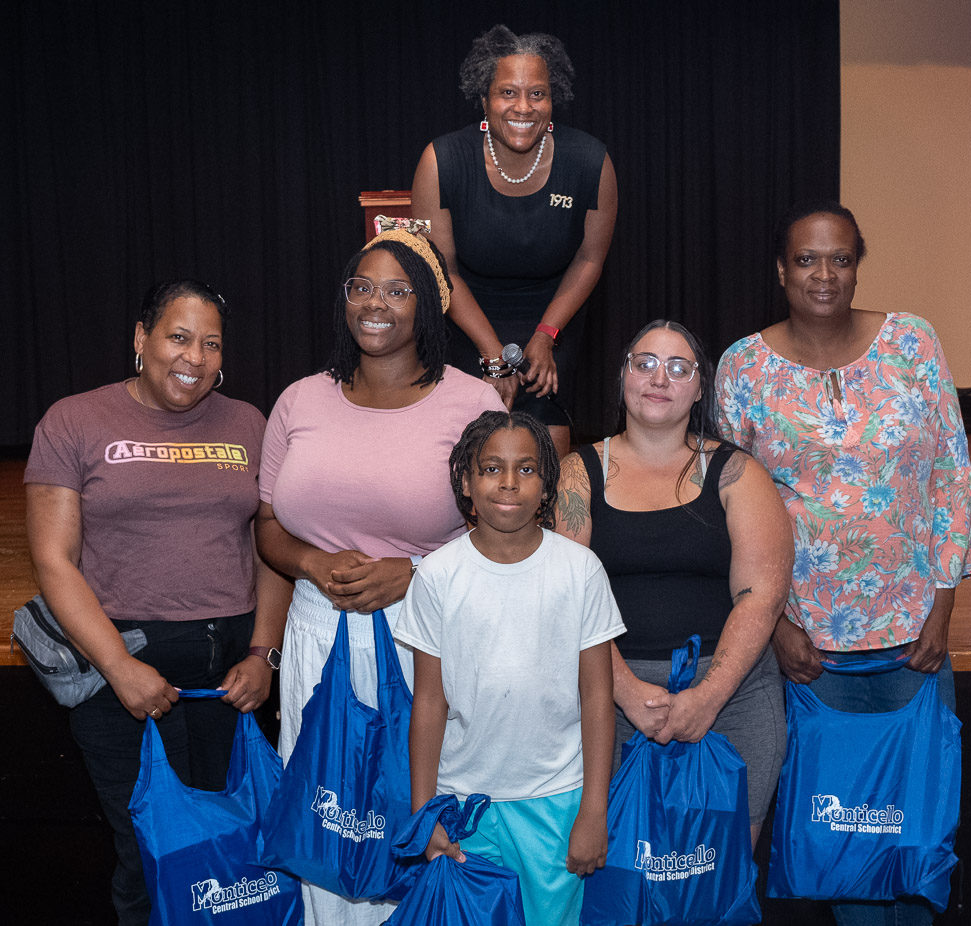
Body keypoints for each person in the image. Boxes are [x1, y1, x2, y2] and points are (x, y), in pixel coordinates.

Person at [716, 201, 971, 925]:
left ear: (857, 264)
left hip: (914, 640)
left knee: (914, 827)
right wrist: (774, 626)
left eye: (839, 258)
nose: (824, 274)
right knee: (840, 837)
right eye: (807, 259)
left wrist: (943, 606)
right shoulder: (743, 368)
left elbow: (948, 477)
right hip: (809, 648)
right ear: (781, 270)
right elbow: (731, 511)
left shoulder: (912, 344)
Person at [255, 226, 505, 925]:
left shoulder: (472, 407)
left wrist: (417, 572)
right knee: (329, 820)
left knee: (415, 815)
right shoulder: (301, 400)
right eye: (362, 287)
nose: (376, 303)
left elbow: (507, 532)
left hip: (425, 642)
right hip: (316, 634)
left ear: (428, 306)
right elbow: (268, 525)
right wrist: (311, 562)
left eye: (398, 290)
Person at [24, 280, 286, 925]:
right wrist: (119, 669)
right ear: (141, 339)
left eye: (211, 343)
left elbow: (271, 546)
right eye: (178, 336)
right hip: (125, 673)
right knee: (147, 851)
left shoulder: (249, 423)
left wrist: (264, 654)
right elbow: (53, 559)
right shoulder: (73, 420)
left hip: (231, 680)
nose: (193, 356)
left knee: (235, 847)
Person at [554, 320, 794, 848]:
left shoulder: (739, 474)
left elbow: (762, 596)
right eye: (644, 363)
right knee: (624, 881)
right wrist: (628, 693)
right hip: (607, 698)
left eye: (678, 367)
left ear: (700, 387)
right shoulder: (577, 472)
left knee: (714, 881)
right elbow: (563, 598)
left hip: (731, 697)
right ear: (622, 377)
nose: (659, 378)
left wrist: (707, 697)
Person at [396, 410, 624, 926]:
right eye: (492, 467)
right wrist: (423, 811)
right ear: (466, 481)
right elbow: (429, 701)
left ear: (547, 486)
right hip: (464, 807)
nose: (508, 482)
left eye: (526, 469)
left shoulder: (580, 570)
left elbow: (596, 697)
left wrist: (593, 810)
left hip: (556, 805)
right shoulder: (436, 576)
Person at [411, 23, 618, 457]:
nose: (523, 106)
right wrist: (492, 356)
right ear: (484, 99)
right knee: (470, 452)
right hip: (464, 316)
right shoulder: (443, 161)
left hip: (552, 314)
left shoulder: (589, 161)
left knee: (545, 459)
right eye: (508, 92)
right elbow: (440, 269)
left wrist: (546, 334)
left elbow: (589, 259)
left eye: (537, 94)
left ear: (552, 99)